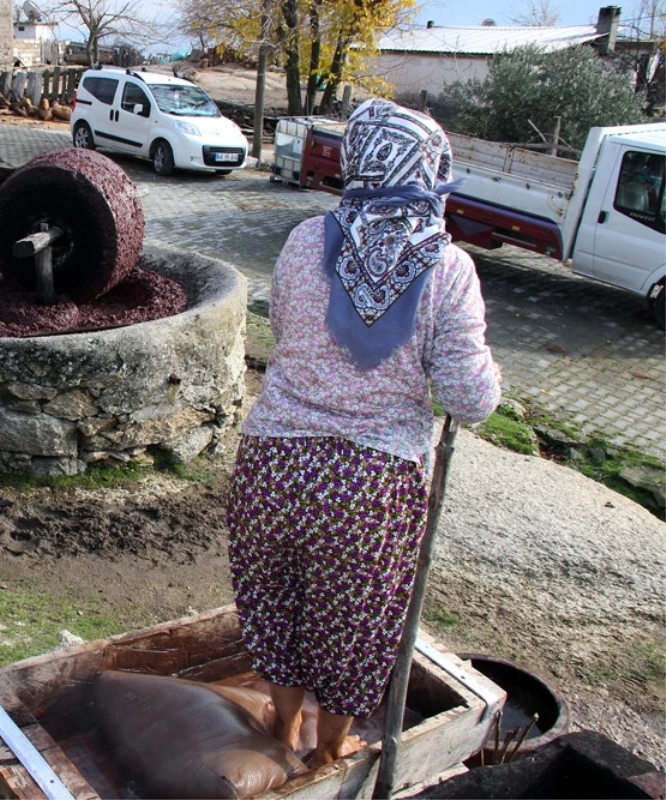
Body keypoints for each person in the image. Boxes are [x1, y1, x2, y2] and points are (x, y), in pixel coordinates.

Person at [226, 99, 502, 769]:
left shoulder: (303, 242)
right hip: (369, 490)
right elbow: (469, 400)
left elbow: (291, 335)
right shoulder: (447, 268)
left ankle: (282, 726)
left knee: (278, 602)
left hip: (273, 464)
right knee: (349, 627)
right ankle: (329, 748)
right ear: (428, 169)